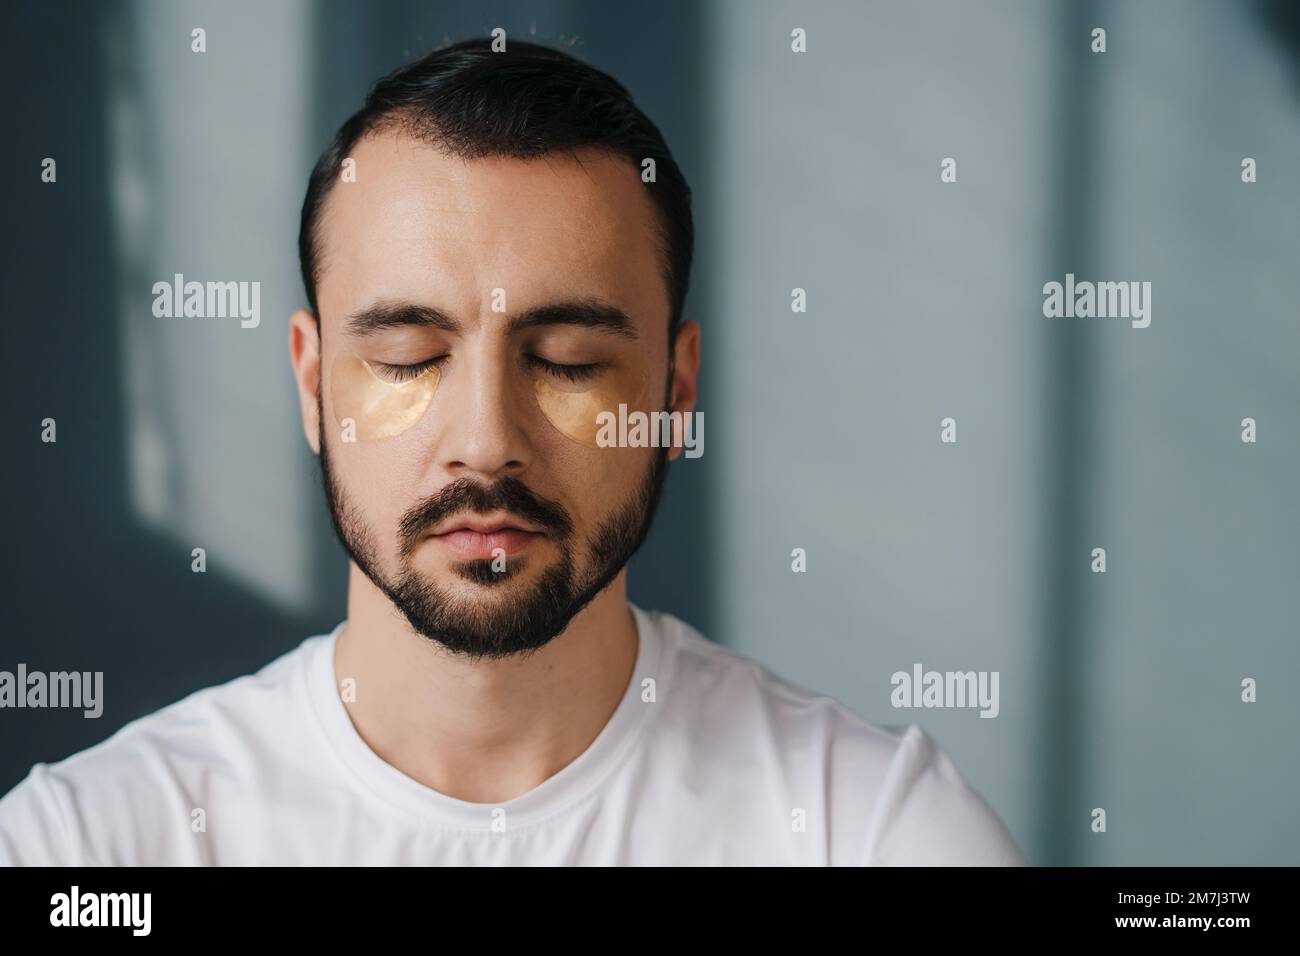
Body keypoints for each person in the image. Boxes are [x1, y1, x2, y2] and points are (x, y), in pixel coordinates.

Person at [0, 38, 1023, 866]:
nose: (485, 441)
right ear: (313, 384)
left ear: (674, 388)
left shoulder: (874, 833)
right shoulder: (86, 848)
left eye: (569, 360)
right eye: (408, 354)